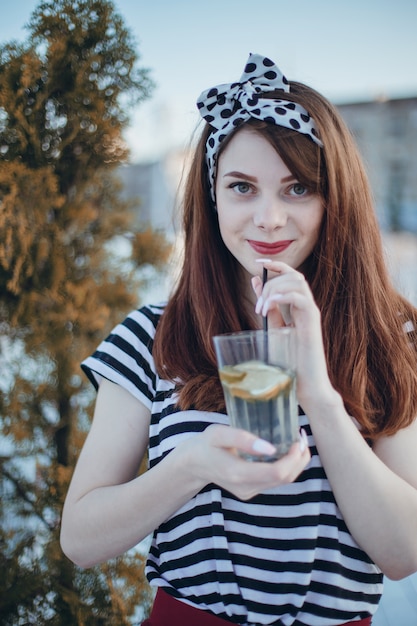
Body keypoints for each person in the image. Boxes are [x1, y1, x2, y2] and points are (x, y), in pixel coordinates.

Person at [60, 53, 417, 626]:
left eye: (297, 187)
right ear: (213, 197)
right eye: (243, 187)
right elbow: (80, 538)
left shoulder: (390, 335)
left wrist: (320, 395)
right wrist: (191, 465)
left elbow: (404, 553)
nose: (269, 218)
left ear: (334, 199)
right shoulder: (154, 335)